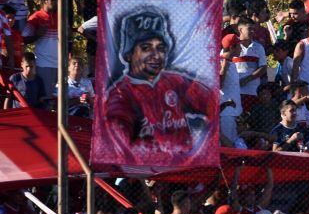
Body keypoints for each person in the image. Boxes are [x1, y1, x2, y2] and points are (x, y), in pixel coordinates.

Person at [102, 9, 217, 156]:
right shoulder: (119, 97)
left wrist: (205, 140)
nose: (156, 55)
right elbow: (120, 148)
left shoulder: (176, 81)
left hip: (184, 167)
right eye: (146, 48)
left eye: (161, 48)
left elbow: (210, 102)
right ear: (129, 54)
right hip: (143, 172)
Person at [22, 0, 59, 90]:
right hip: (44, 64)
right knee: (46, 97)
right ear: (45, 1)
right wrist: (37, 35)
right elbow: (24, 39)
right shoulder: (36, 17)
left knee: (59, 98)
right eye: (53, 0)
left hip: (60, 64)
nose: (56, 3)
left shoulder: (61, 17)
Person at [233, 17, 268, 99]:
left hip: (253, 91)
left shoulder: (258, 47)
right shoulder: (232, 45)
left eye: (253, 29)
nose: (252, 31)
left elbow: (263, 67)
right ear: (240, 30)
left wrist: (247, 79)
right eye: (250, 29)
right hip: (234, 91)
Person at [219, 33, 244, 145]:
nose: (241, 48)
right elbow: (218, 85)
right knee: (227, 145)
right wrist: (223, 69)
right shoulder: (220, 62)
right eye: (238, 46)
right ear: (231, 47)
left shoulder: (232, 63)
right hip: (225, 112)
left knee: (233, 142)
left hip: (233, 111)